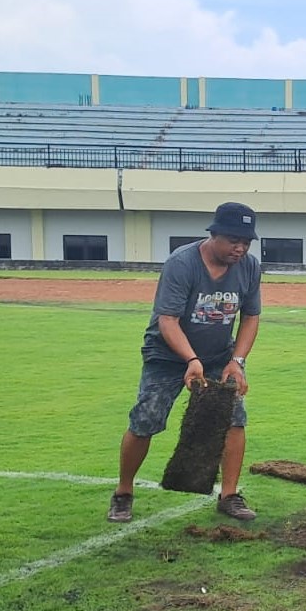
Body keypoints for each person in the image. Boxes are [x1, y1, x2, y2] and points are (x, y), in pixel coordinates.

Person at [108, 202, 262, 523]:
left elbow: (250, 316)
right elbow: (168, 321)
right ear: (214, 234)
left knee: (235, 418)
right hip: (167, 356)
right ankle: (123, 493)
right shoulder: (182, 263)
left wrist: (237, 360)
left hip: (219, 356)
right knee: (146, 419)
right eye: (233, 240)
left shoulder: (248, 266)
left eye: (246, 242)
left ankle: (230, 495)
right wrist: (190, 359)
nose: (240, 248)